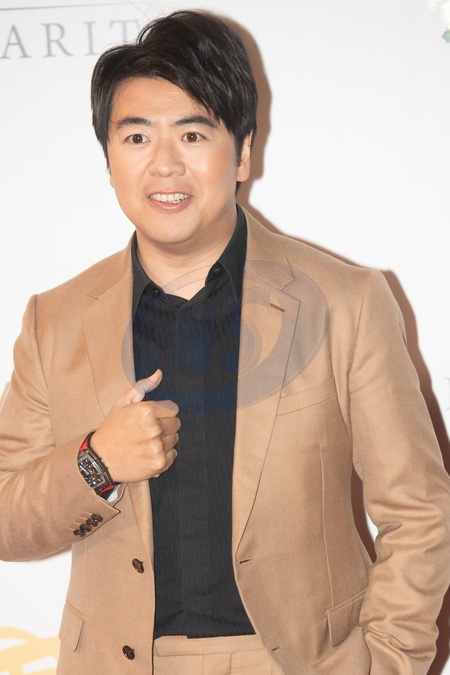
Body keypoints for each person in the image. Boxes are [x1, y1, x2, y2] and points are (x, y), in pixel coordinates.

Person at [0, 9, 449, 675]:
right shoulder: (55, 320)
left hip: (299, 661)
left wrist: (384, 661)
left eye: (192, 133)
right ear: (110, 161)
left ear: (241, 153)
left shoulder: (347, 301)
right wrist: (97, 462)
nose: (164, 164)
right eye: (136, 137)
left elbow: (421, 512)